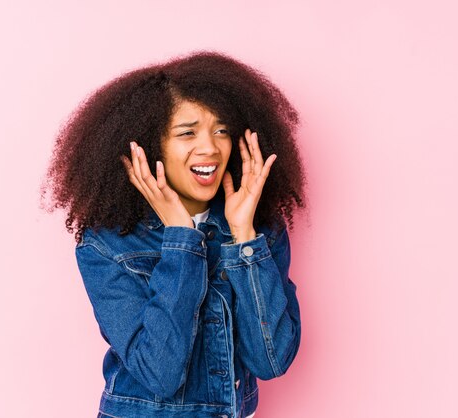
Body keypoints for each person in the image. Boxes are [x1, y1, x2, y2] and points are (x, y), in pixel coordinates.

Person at [42, 51, 307, 418]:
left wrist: (244, 236)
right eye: (187, 133)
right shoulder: (107, 246)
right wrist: (181, 238)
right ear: (152, 148)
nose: (210, 147)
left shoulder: (259, 232)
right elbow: (159, 373)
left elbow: (271, 360)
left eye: (221, 130)